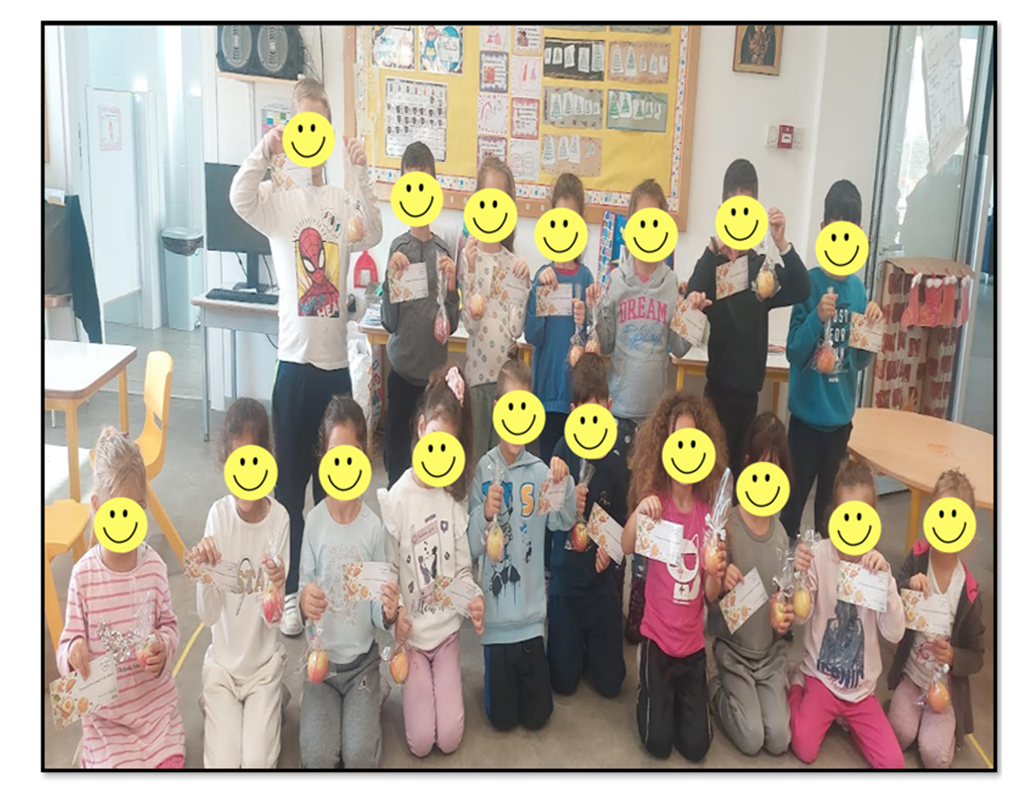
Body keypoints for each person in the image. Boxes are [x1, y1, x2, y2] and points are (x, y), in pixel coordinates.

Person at [230, 77, 383, 635]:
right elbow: (239, 196)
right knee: (290, 488)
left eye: (320, 124)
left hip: (334, 371)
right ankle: (293, 591)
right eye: (303, 125)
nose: (311, 135)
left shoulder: (340, 201)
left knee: (334, 488)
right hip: (293, 371)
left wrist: (360, 172)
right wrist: (266, 147)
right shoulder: (279, 202)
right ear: (294, 131)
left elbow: (375, 229)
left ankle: (331, 588)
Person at [596, 178, 692, 643]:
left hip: (656, 421)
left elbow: (679, 347)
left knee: (652, 510)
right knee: (617, 509)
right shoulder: (617, 279)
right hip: (618, 415)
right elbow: (606, 344)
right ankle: (609, 596)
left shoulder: (671, 283)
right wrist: (601, 307)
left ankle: (640, 604)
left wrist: (689, 314)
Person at [57, 428, 185, 768]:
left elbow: (170, 626)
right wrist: (73, 651)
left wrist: (163, 647)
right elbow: (66, 645)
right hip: (106, 725)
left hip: (156, 715)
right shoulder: (83, 577)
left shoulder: (154, 568)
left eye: (134, 512)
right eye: (116, 514)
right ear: (97, 507)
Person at [379, 366, 486, 756]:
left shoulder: (453, 498)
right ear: (422, 428)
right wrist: (396, 615)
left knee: (450, 738)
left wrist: (473, 598)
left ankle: (445, 676)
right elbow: (390, 571)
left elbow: (462, 569)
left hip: (446, 635)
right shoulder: (397, 499)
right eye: (436, 441)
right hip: (412, 638)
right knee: (422, 742)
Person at [468, 357, 576, 731]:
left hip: (531, 623)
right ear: (498, 410)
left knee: (538, 716)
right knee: (502, 720)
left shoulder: (541, 472)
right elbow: (470, 546)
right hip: (496, 624)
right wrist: (484, 514)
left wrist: (565, 481)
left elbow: (563, 522)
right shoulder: (483, 470)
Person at [685, 159, 809, 480]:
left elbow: (801, 287)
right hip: (716, 394)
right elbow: (692, 295)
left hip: (749, 398)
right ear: (723, 212)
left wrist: (782, 242)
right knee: (711, 477)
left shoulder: (761, 269)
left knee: (741, 479)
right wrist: (714, 246)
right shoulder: (713, 264)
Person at [622, 394, 728, 762]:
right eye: (677, 441)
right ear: (664, 447)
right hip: (657, 641)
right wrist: (640, 510)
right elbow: (626, 545)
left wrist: (714, 571)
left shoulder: (708, 515)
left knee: (697, 747)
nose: (685, 451)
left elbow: (711, 594)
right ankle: (649, 689)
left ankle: (689, 695)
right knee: (657, 743)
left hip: (692, 648)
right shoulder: (657, 504)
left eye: (692, 442)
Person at [297, 396, 399, 769]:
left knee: (358, 757)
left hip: (362, 666)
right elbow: (303, 587)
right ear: (323, 460)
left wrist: (388, 611)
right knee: (318, 757)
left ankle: (373, 693)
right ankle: (329, 707)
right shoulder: (314, 523)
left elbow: (377, 613)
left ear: (364, 458)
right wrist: (305, 600)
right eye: (334, 457)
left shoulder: (372, 528)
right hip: (321, 666)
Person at [781, 179, 884, 540]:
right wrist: (816, 318)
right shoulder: (807, 284)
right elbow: (794, 351)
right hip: (804, 423)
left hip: (840, 425)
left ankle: (826, 571)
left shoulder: (858, 290)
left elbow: (859, 361)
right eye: (835, 231)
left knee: (831, 514)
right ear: (823, 229)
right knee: (791, 509)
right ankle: (785, 567)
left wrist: (872, 329)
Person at [789, 459, 905, 768]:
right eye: (846, 516)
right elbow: (800, 617)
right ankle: (797, 684)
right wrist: (799, 576)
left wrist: (886, 584)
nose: (852, 526)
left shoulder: (877, 567)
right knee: (804, 747)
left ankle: (850, 723)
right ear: (834, 516)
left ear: (872, 521)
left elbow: (895, 633)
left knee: (893, 763)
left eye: (860, 517)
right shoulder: (819, 556)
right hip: (820, 679)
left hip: (860, 691)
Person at [193, 399, 289, 768]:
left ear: (267, 461)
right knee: (223, 765)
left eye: (253, 461)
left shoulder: (279, 520)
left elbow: (274, 619)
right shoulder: (218, 517)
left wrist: (277, 586)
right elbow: (208, 615)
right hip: (222, 669)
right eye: (238, 463)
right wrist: (205, 576)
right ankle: (219, 706)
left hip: (263, 669)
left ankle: (272, 700)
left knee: (256, 763)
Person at [706, 412, 792, 756]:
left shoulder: (781, 536)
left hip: (768, 655)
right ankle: (713, 687)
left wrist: (786, 618)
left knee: (780, 739)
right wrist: (721, 574)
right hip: (732, 652)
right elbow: (709, 597)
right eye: (762, 469)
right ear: (747, 465)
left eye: (776, 472)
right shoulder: (727, 525)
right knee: (752, 737)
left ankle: (766, 693)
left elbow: (783, 599)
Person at [887, 470, 986, 768]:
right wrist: (908, 586)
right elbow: (892, 594)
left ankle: (939, 725)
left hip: (944, 688)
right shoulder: (917, 559)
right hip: (912, 676)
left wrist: (954, 656)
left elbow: (977, 655)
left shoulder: (968, 591)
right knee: (899, 734)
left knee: (935, 757)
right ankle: (909, 714)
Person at [547, 354, 627, 699]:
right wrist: (565, 498)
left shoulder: (616, 461)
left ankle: (590, 644)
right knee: (562, 682)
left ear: (609, 408)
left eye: (599, 414)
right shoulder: (561, 452)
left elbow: (623, 522)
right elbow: (548, 521)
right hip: (565, 582)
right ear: (572, 412)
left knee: (611, 684)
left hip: (600, 585)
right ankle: (570, 639)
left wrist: (610, 551)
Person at [381, 142, 459, 487]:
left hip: (433, 384)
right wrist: (389, 282)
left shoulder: (444, 251)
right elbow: (389, 322)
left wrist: (453, 289)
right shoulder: (397, 249)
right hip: (401, 376)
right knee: (398, 466)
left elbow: (451, 324)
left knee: (432, 468)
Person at [525, 173, 598, 462]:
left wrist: (586, 318)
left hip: (576, 399)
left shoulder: (586, 277)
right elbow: (533, 336)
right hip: (546, 396)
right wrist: (538, 293)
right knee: (548, 470)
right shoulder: (543, 277)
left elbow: (591, 346)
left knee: (574, 473)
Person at [461, 156, 529, 460]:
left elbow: (516, 328)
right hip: (477, 381)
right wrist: (471, 272)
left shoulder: (513, 263)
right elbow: (470, 324)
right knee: (477, 463)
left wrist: (523, 291)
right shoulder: (470, 257)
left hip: (507, 386)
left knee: (505, 463)